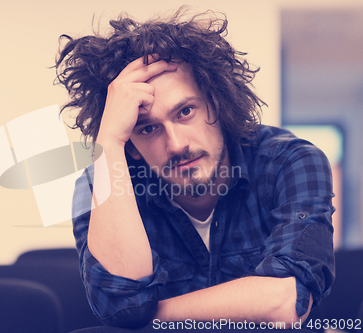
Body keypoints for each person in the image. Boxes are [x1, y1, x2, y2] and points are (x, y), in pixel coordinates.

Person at [55, 9, 335, 329]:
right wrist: (109, 141)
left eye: (185, 111)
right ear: (130, 143)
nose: (175, 144)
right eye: (147, 129)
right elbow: (121, 305)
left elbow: (286, 302)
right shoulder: (101, 183)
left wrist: (150, 317)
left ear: (216, 102)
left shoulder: (292, 162)